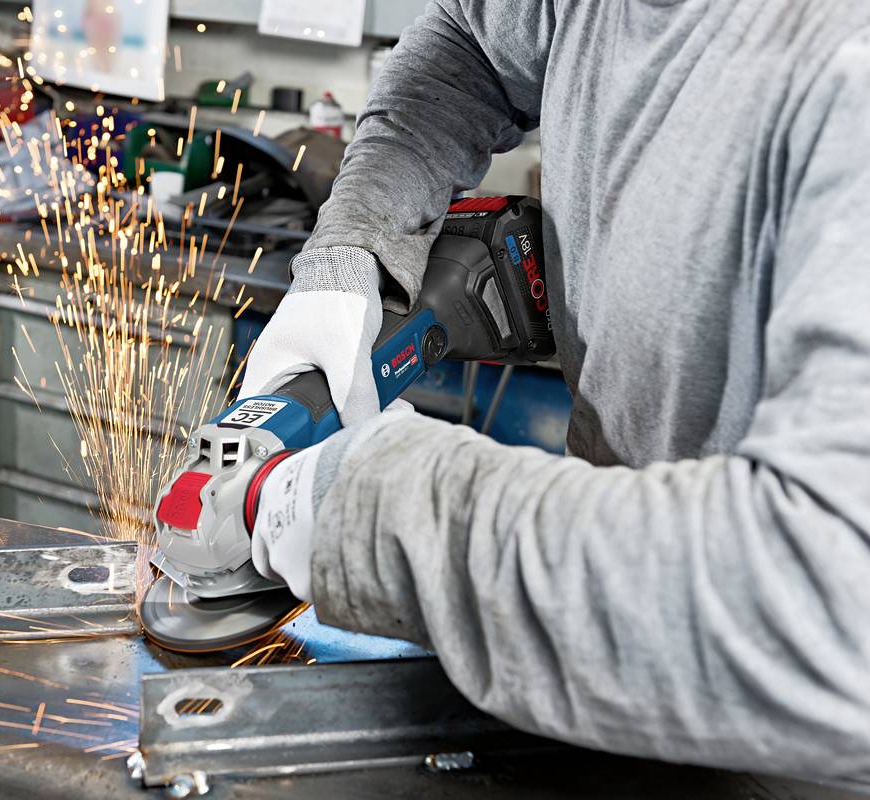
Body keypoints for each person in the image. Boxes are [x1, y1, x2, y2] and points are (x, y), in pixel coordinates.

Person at [239, 0, 870, 782]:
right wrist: (355, 244)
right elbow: (472, 44)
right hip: (601, 655)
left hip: (801, 747)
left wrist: (376, 507)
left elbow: (830, 605)